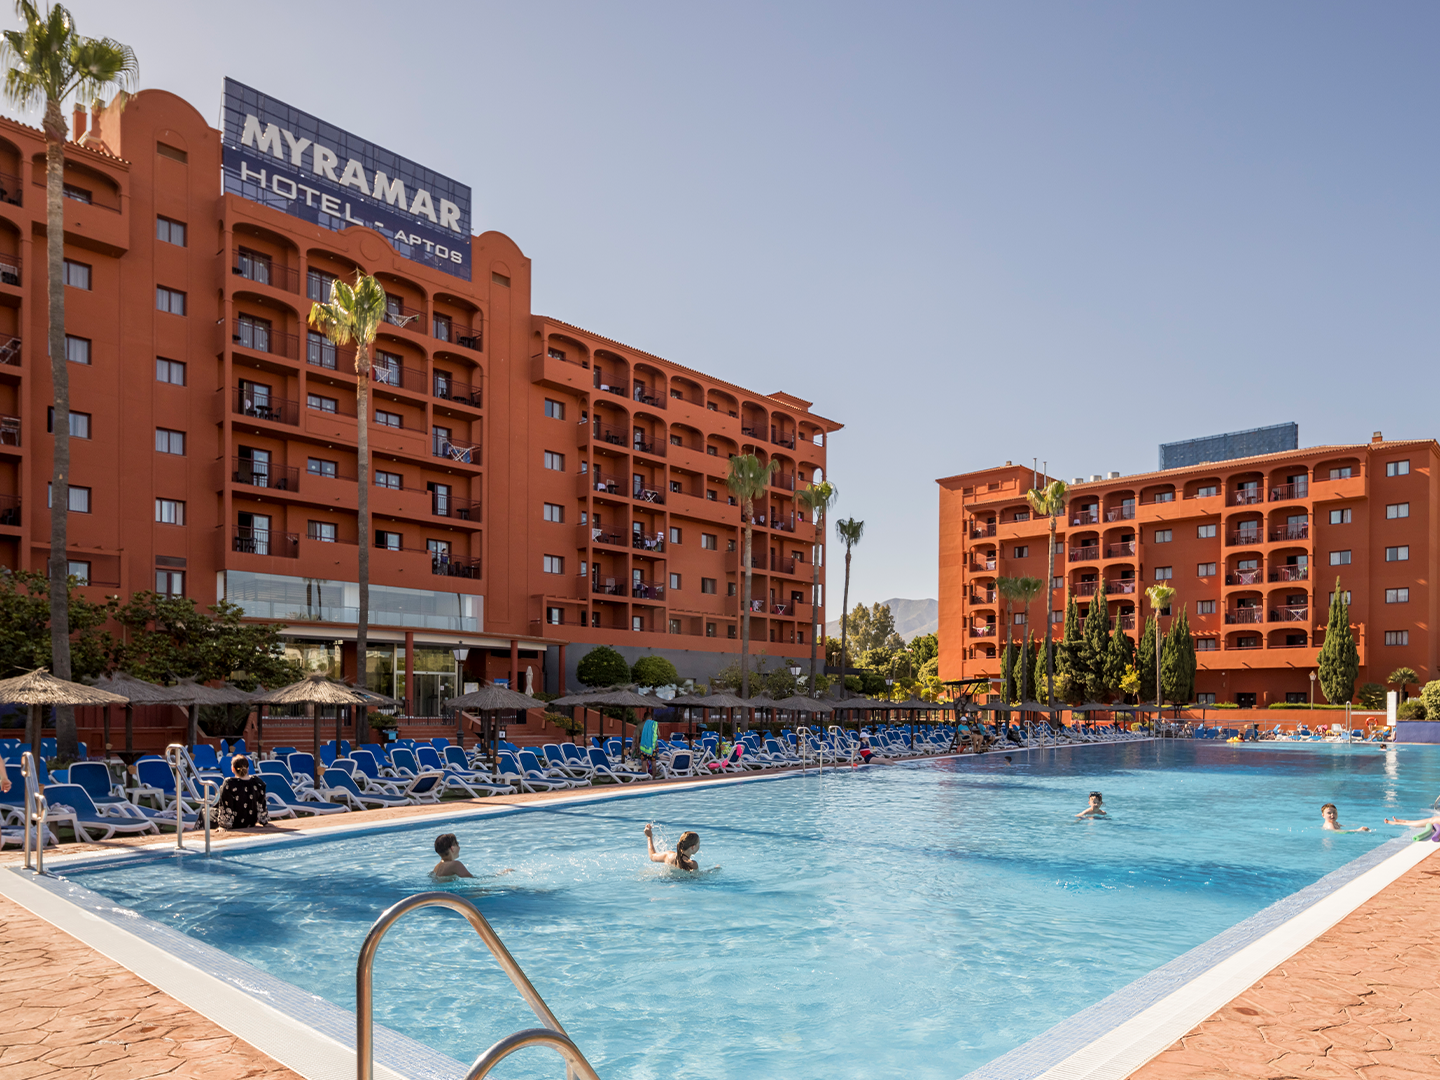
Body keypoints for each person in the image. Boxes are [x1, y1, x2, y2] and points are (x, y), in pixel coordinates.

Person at [213, 756, 270, 830]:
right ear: (248, 768)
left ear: (233, 769)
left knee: (205, 813)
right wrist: (264, 821)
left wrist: (223, 826)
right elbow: (262, 806)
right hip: (251, 822)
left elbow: (226, 806)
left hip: (235, 824)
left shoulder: (229, 783)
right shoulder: (258, 782)